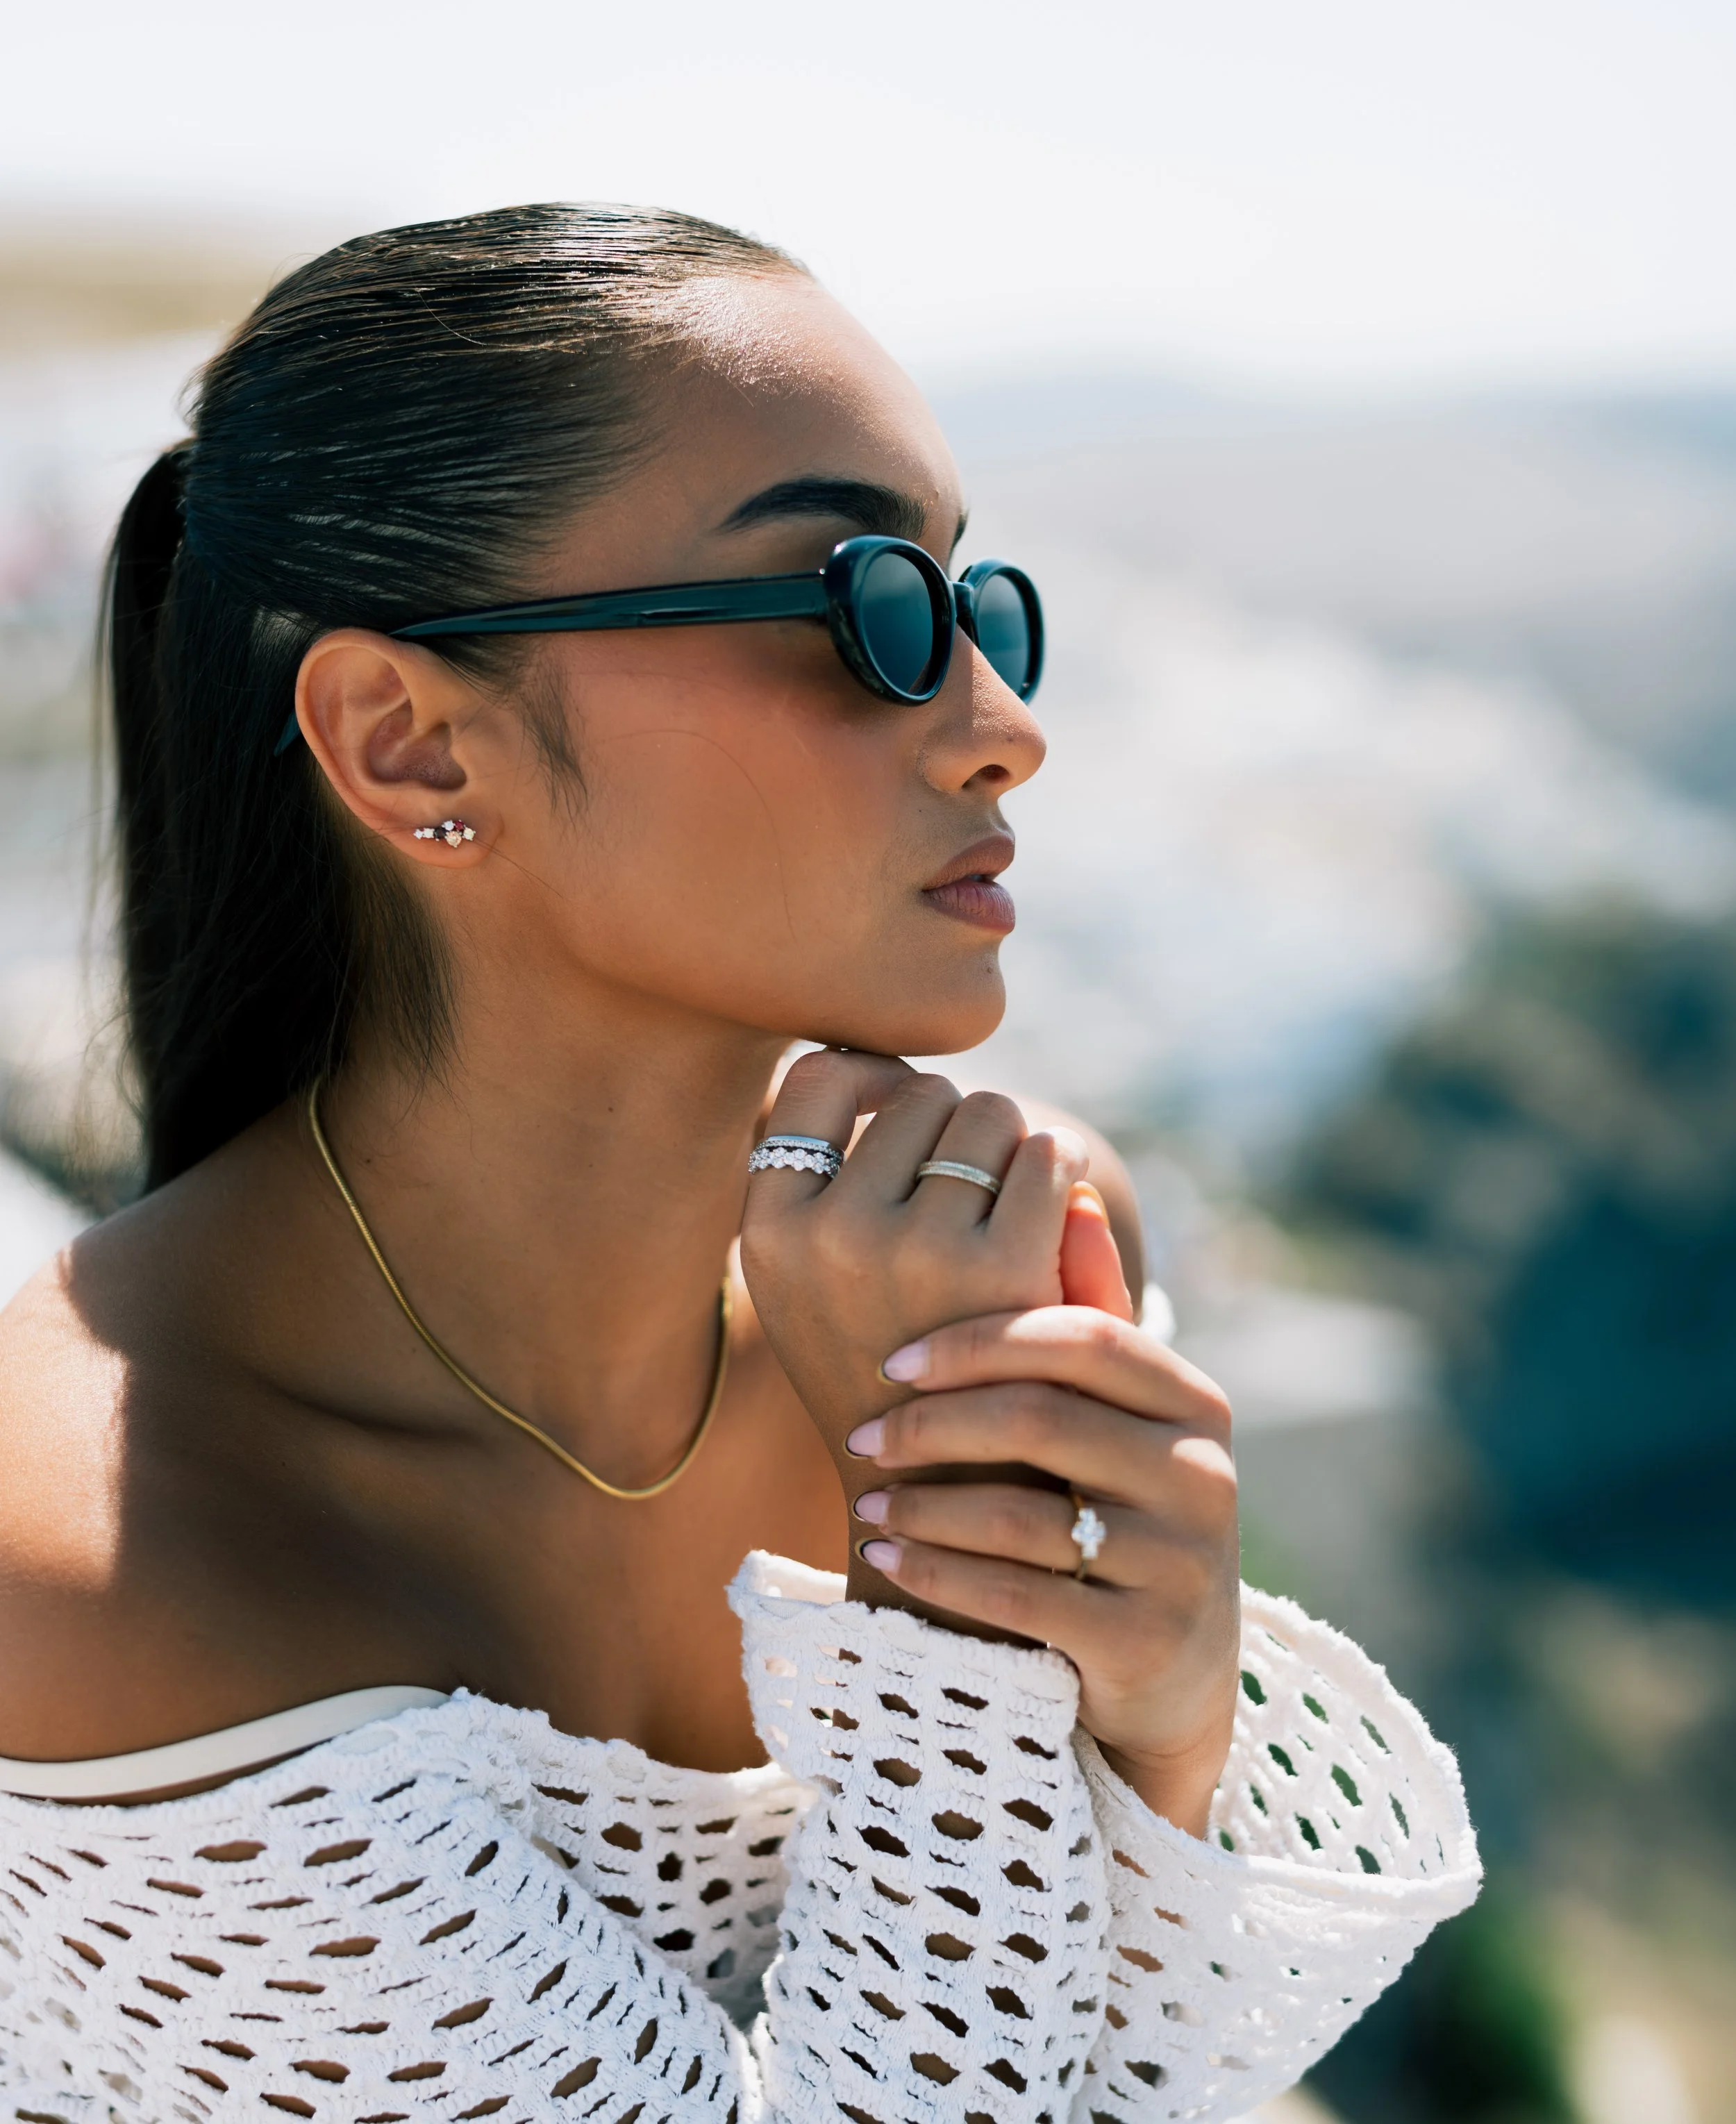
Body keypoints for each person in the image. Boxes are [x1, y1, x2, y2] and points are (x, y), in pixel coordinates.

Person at [0, 205, 1477, 2123]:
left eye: (975, 605)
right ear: (410, 742)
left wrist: (1169, 1703)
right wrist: (951, 1644)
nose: (1001, 730)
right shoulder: (107, 1561)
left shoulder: (973, 1260)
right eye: (856, 605)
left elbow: (1147, 2070)